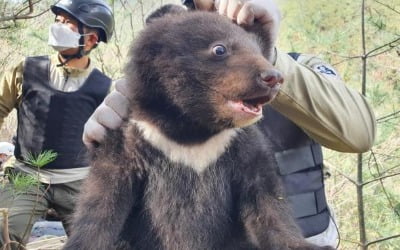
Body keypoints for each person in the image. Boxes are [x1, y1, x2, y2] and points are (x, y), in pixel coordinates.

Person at [83, 0, 376, 248]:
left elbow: (360, 133)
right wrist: (115, 125)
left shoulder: (300, 65)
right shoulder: (171, 62)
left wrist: (268, 56)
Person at [0, 0, 114, 248]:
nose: (58, 27)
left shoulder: (105, 87)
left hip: (79, 183)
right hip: (26, 176)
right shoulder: (26, 69)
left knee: (100, 243)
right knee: (3, 235)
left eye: (69, 23)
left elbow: (116, 141)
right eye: (58, 21)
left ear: (92, 39)